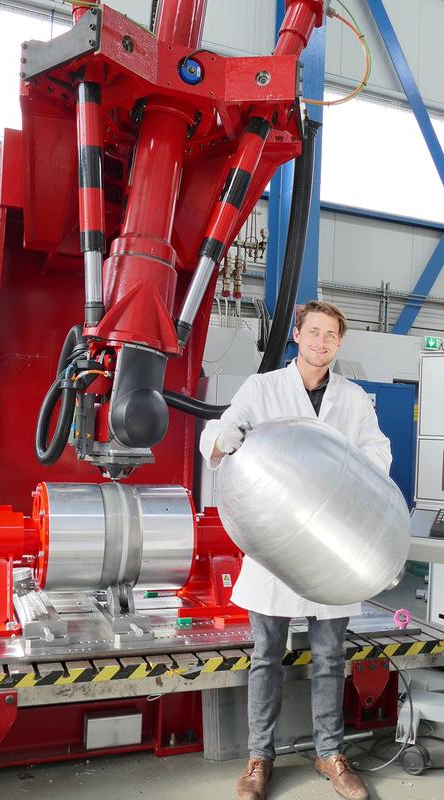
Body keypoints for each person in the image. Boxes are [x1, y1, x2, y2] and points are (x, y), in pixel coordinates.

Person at [200, 300, 391, 800]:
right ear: (298, 336)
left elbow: (377, 451)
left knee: (329, 656)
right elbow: (215, 435)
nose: (321, 341)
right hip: (274, 550)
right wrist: (225, 437)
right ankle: (259, 758)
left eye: (331, 335)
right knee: (266, 654)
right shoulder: (263, 388)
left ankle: (331, 754)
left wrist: (357, 471)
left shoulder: (352, 400)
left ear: (339, 343)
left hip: (330, 550)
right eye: (314, 332)